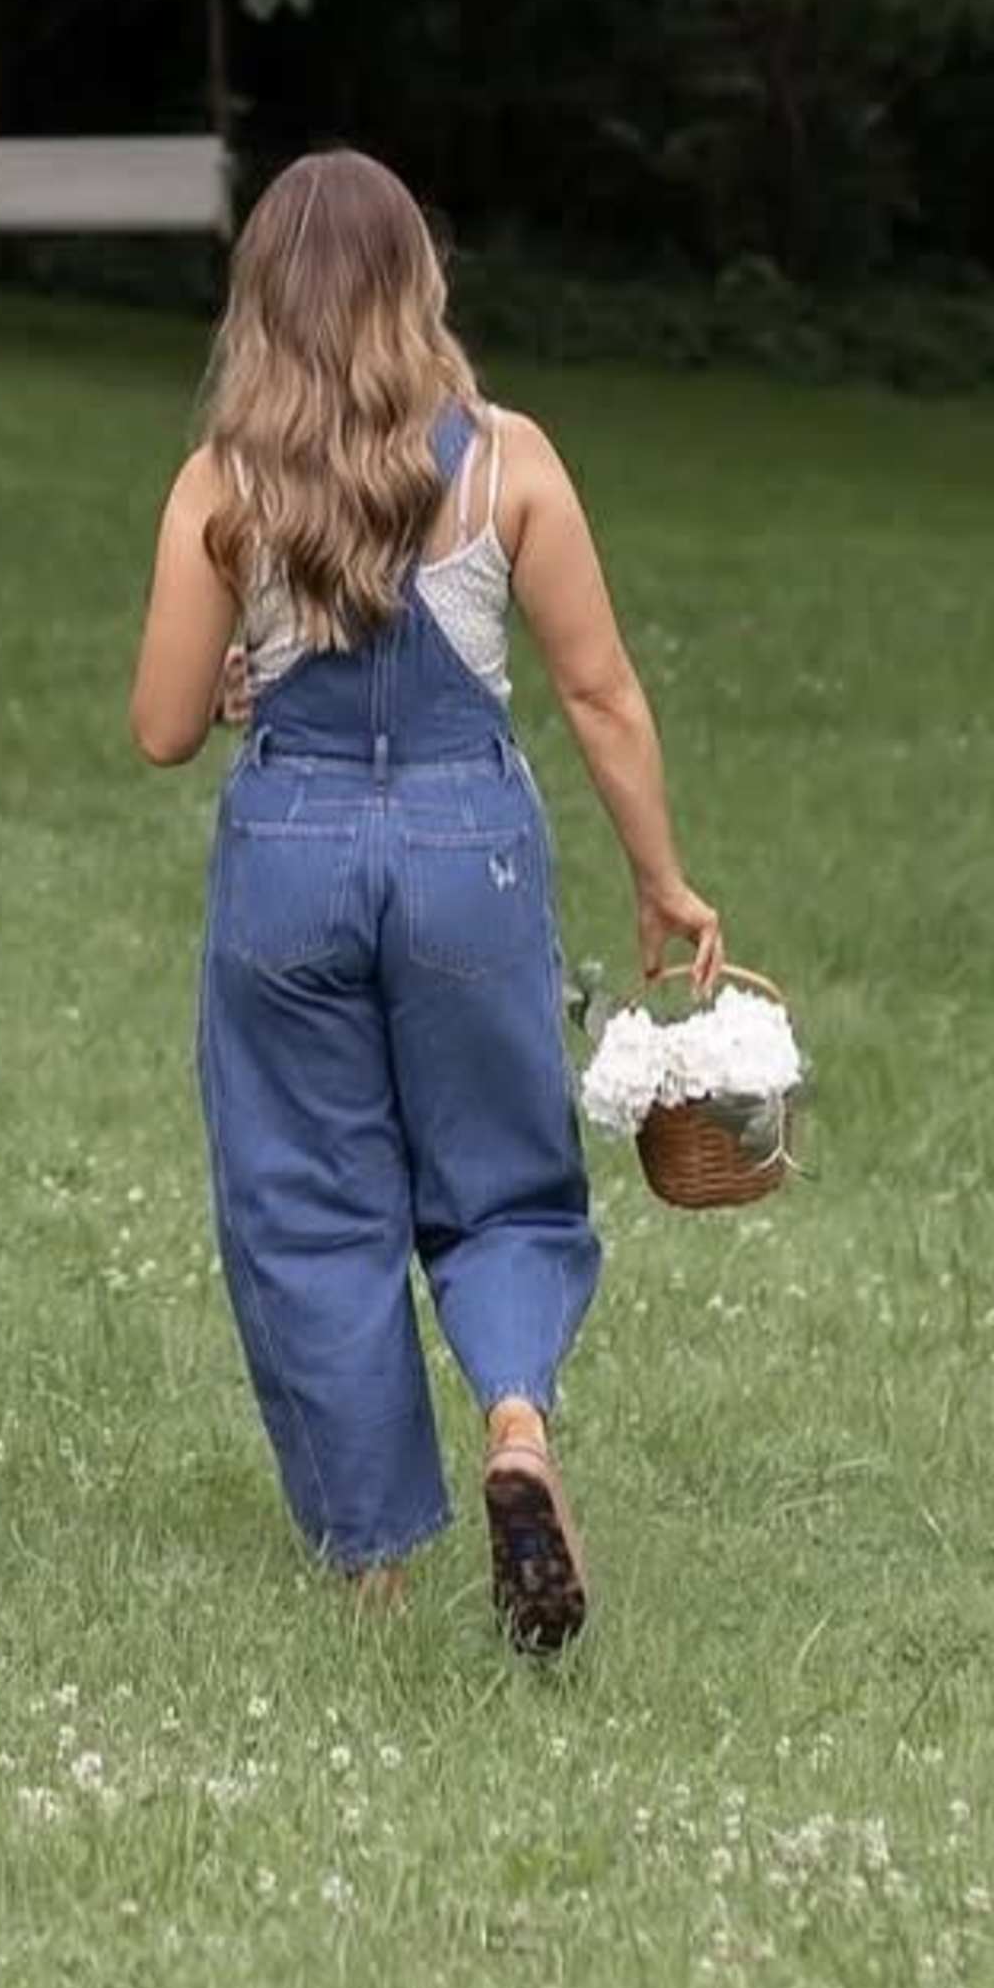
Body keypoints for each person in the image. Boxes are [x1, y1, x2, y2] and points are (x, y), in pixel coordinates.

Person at [129, 150, 721, 1650]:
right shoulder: (509, 460)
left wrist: (249, 674)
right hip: (473, 857)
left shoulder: (222, 483)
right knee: (505, 1180)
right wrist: (661, 879)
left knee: (310, 1206)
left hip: (291, 863)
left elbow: (160, 724)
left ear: (260, 303)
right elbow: (598, 691)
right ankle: (515, 1417)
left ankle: (378, 1562)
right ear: (420, 286)